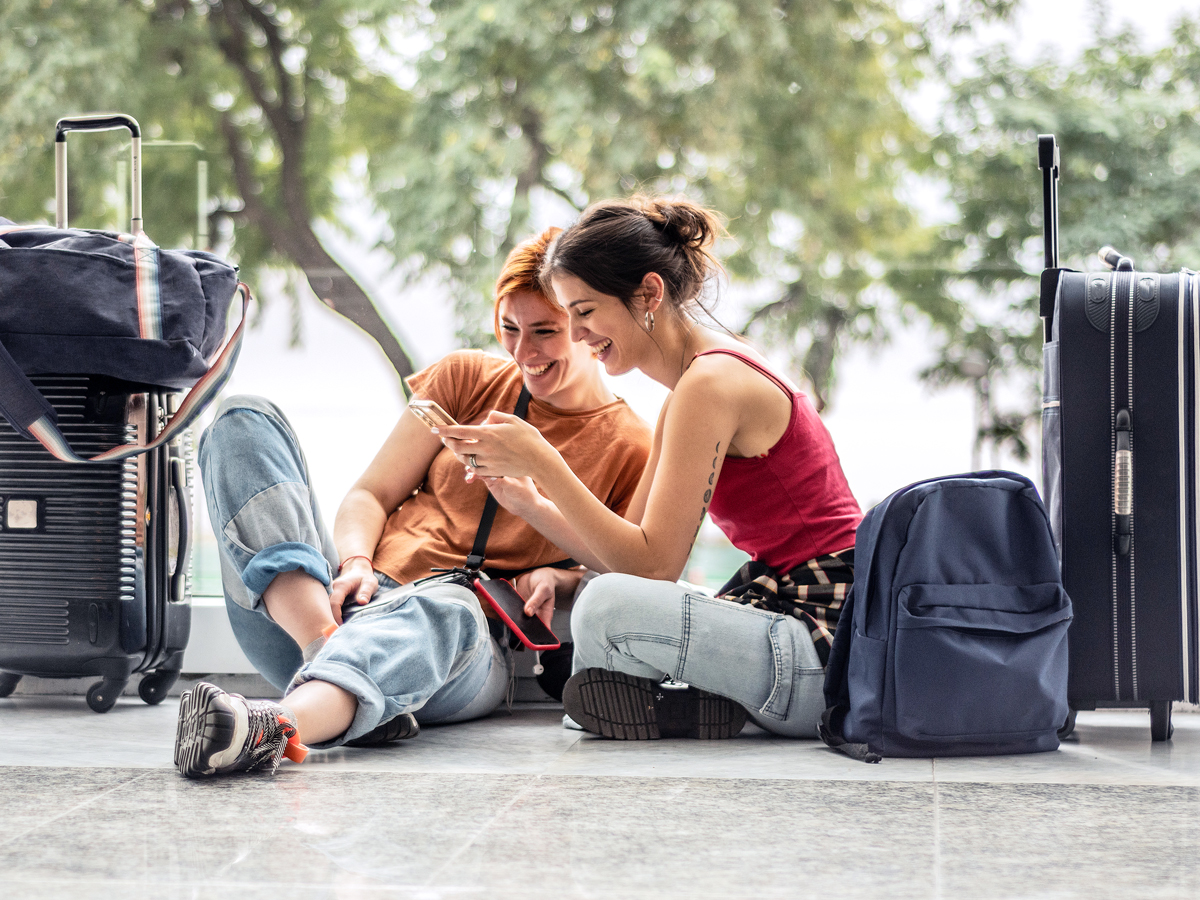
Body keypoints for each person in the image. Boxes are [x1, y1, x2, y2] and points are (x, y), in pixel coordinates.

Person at [173, 228, 652, 777]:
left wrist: (559, 574)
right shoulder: (465, 379)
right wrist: (353, 563)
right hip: (323, 610)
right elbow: (370, 495)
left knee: (447, 605)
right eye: (510, 329)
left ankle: (271, 727)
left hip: (453, 647)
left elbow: (626, 573)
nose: (523, 353)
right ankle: (325, 651)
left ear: (589, 328)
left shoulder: (632, 446)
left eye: (544, 331)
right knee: (242, 419)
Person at [439, 197, 862, 741]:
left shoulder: (710, 384)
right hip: (797, 635)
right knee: (603, 594)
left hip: (827, 649)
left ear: (649, 294)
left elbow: (654, 568)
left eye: (585, 312)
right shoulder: (691, 386)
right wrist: (530, 502)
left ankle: (665, 704)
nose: (577, 334)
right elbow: (624, 559)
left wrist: (545, 461)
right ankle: (675, 705)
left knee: (605, 607)